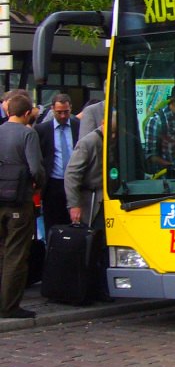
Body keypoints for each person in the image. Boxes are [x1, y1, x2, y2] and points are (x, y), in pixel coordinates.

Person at [0, 94, 44, 318]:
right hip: (19, 200)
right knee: (16, 254)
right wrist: (39, 186)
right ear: (27, 114)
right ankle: (9, 306)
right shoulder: (28, 133)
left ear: (8, 111)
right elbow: (35, 168)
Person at [64, 119, 111, 302]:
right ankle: (93, 287)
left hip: (107, 199)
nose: (113, 136)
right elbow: (72, 174)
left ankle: (103, 287)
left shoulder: (118, 140)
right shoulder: (88, 142)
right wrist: (74, 204)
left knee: (105, 244)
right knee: (96, 244)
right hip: (92, 201)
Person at [35, 94, 80, 236]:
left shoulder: (78, 127)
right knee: (52, 227)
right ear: (52, 109)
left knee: (74, 225)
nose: (62, 116)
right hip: (53, 185)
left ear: (70, 108)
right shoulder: (42, 130)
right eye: (59, 112)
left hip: (74, 183)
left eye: (66, 112)